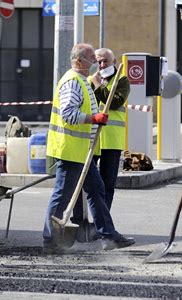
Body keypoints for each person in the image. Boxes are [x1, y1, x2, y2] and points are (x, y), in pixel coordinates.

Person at [44, 43, 135, 252]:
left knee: (97, 189)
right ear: (78, 61)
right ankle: (49, 240)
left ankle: (108, 236)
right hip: (70, 150)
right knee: (62, 196)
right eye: (91, 59)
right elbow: (68, 114)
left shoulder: (85, 81)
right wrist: (93, 118)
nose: (95, 63)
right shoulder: (73, 82)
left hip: (83, 150)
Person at [71, 48, 131, 227]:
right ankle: (79, 220)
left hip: (112, 140)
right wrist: (96, 84)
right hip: (91, 139)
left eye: (105, 61)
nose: (102, 65)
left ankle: (102, 223)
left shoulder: (122, 80)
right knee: (84, 181)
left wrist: (99, 85)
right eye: (98, 61)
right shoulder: (89, 81)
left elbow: (115, 102)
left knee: (107, 183)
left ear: (113, 62)